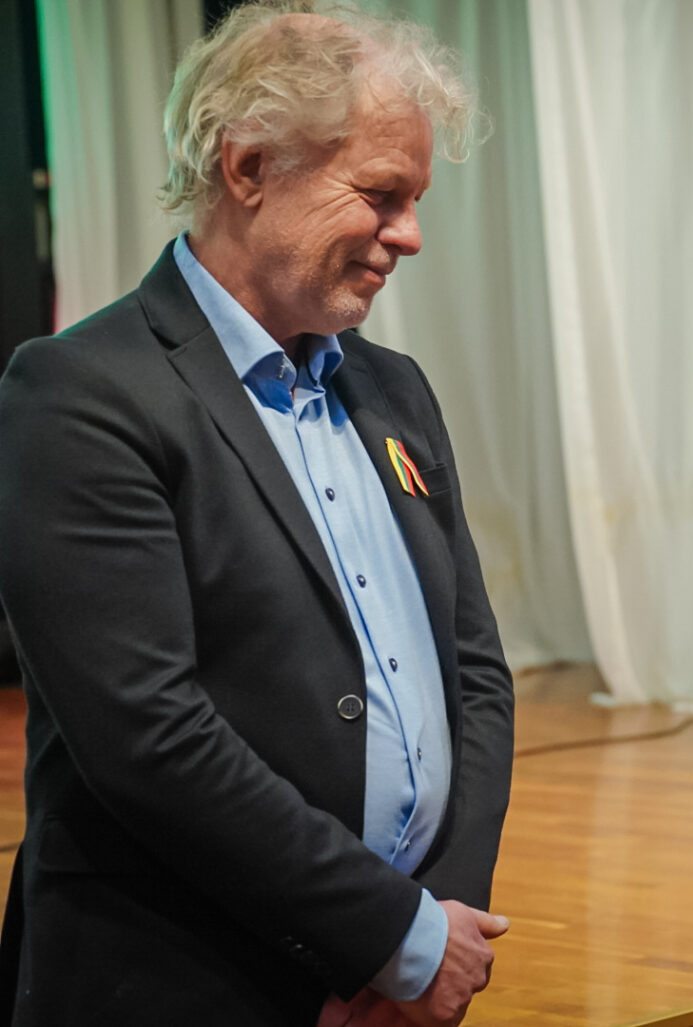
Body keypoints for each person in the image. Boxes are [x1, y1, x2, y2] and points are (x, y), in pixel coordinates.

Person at [0, 6, 515, 1026]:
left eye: (415, 201)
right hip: (179, 982)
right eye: (381, 194)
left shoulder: (396, 390)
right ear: (248, 168)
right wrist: (391, 938)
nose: (409, 235)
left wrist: (433, 932)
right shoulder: (80, 393)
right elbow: (149, 737)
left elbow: (476, 676)